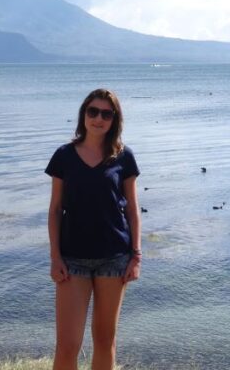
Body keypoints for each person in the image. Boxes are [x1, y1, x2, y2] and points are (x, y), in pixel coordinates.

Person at [45, 89, 141, 370]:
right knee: (67, 346)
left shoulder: (124, 157)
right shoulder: (64, 155)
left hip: (114, 258)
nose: (98, 118)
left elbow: (133, 211)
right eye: (93, 111)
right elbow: (54, 210)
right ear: (84, 115)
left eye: (106, 114)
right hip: (72, 259)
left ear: (114, 120)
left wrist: (136, 257)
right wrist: (55, 257)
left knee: (104, 340)